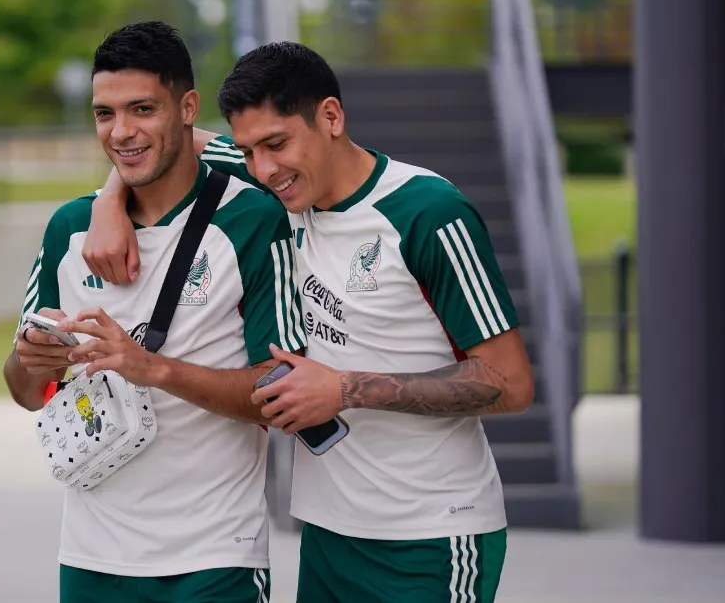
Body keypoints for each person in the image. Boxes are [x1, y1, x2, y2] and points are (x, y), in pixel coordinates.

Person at [82, 41, 536, 602]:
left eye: (277, 144)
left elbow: (510, 383)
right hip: (326, 533)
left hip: (432, 534)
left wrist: (344, 389)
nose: (263, 169)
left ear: (331, 117)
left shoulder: (428, 211)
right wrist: (108, 201)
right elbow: (167, 144)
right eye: (248, 152)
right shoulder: (279, 187)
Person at [4, 22, 307, 603]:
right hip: (91, 557)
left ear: (188, 108)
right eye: (104, 114)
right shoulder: (70, 226)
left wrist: (152, 368)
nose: (121, 132)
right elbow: (25, 392)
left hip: (215, 556)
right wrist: (32, 360)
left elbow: (280, 391)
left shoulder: (253, 218)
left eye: (143, 109)